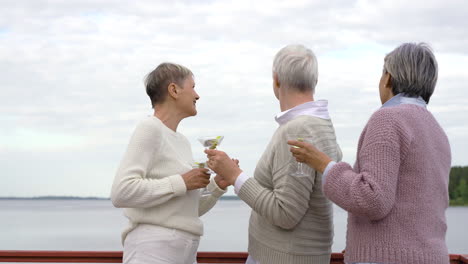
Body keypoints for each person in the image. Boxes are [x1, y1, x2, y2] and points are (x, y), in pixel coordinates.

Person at [288, 43, 451, 264]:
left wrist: (325, 165)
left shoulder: (388, 119)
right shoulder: (436, 130)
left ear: (388, 78)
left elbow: (372, 199)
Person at [205, 44, 342, 264]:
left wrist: (235, 176)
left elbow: (285, 214)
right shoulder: (321, 125)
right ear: (314, 81)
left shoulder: (297, 129)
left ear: (276, 80)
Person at [111, 62, 228, 264]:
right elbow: (121, 192)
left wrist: (218, 186)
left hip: (184, 254)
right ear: (174, 90)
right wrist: (182, 182)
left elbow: (189, 210)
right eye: (193, 87)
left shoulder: (182, 142)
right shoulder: (149, 128)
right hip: (151, 252)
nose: (197, 95)